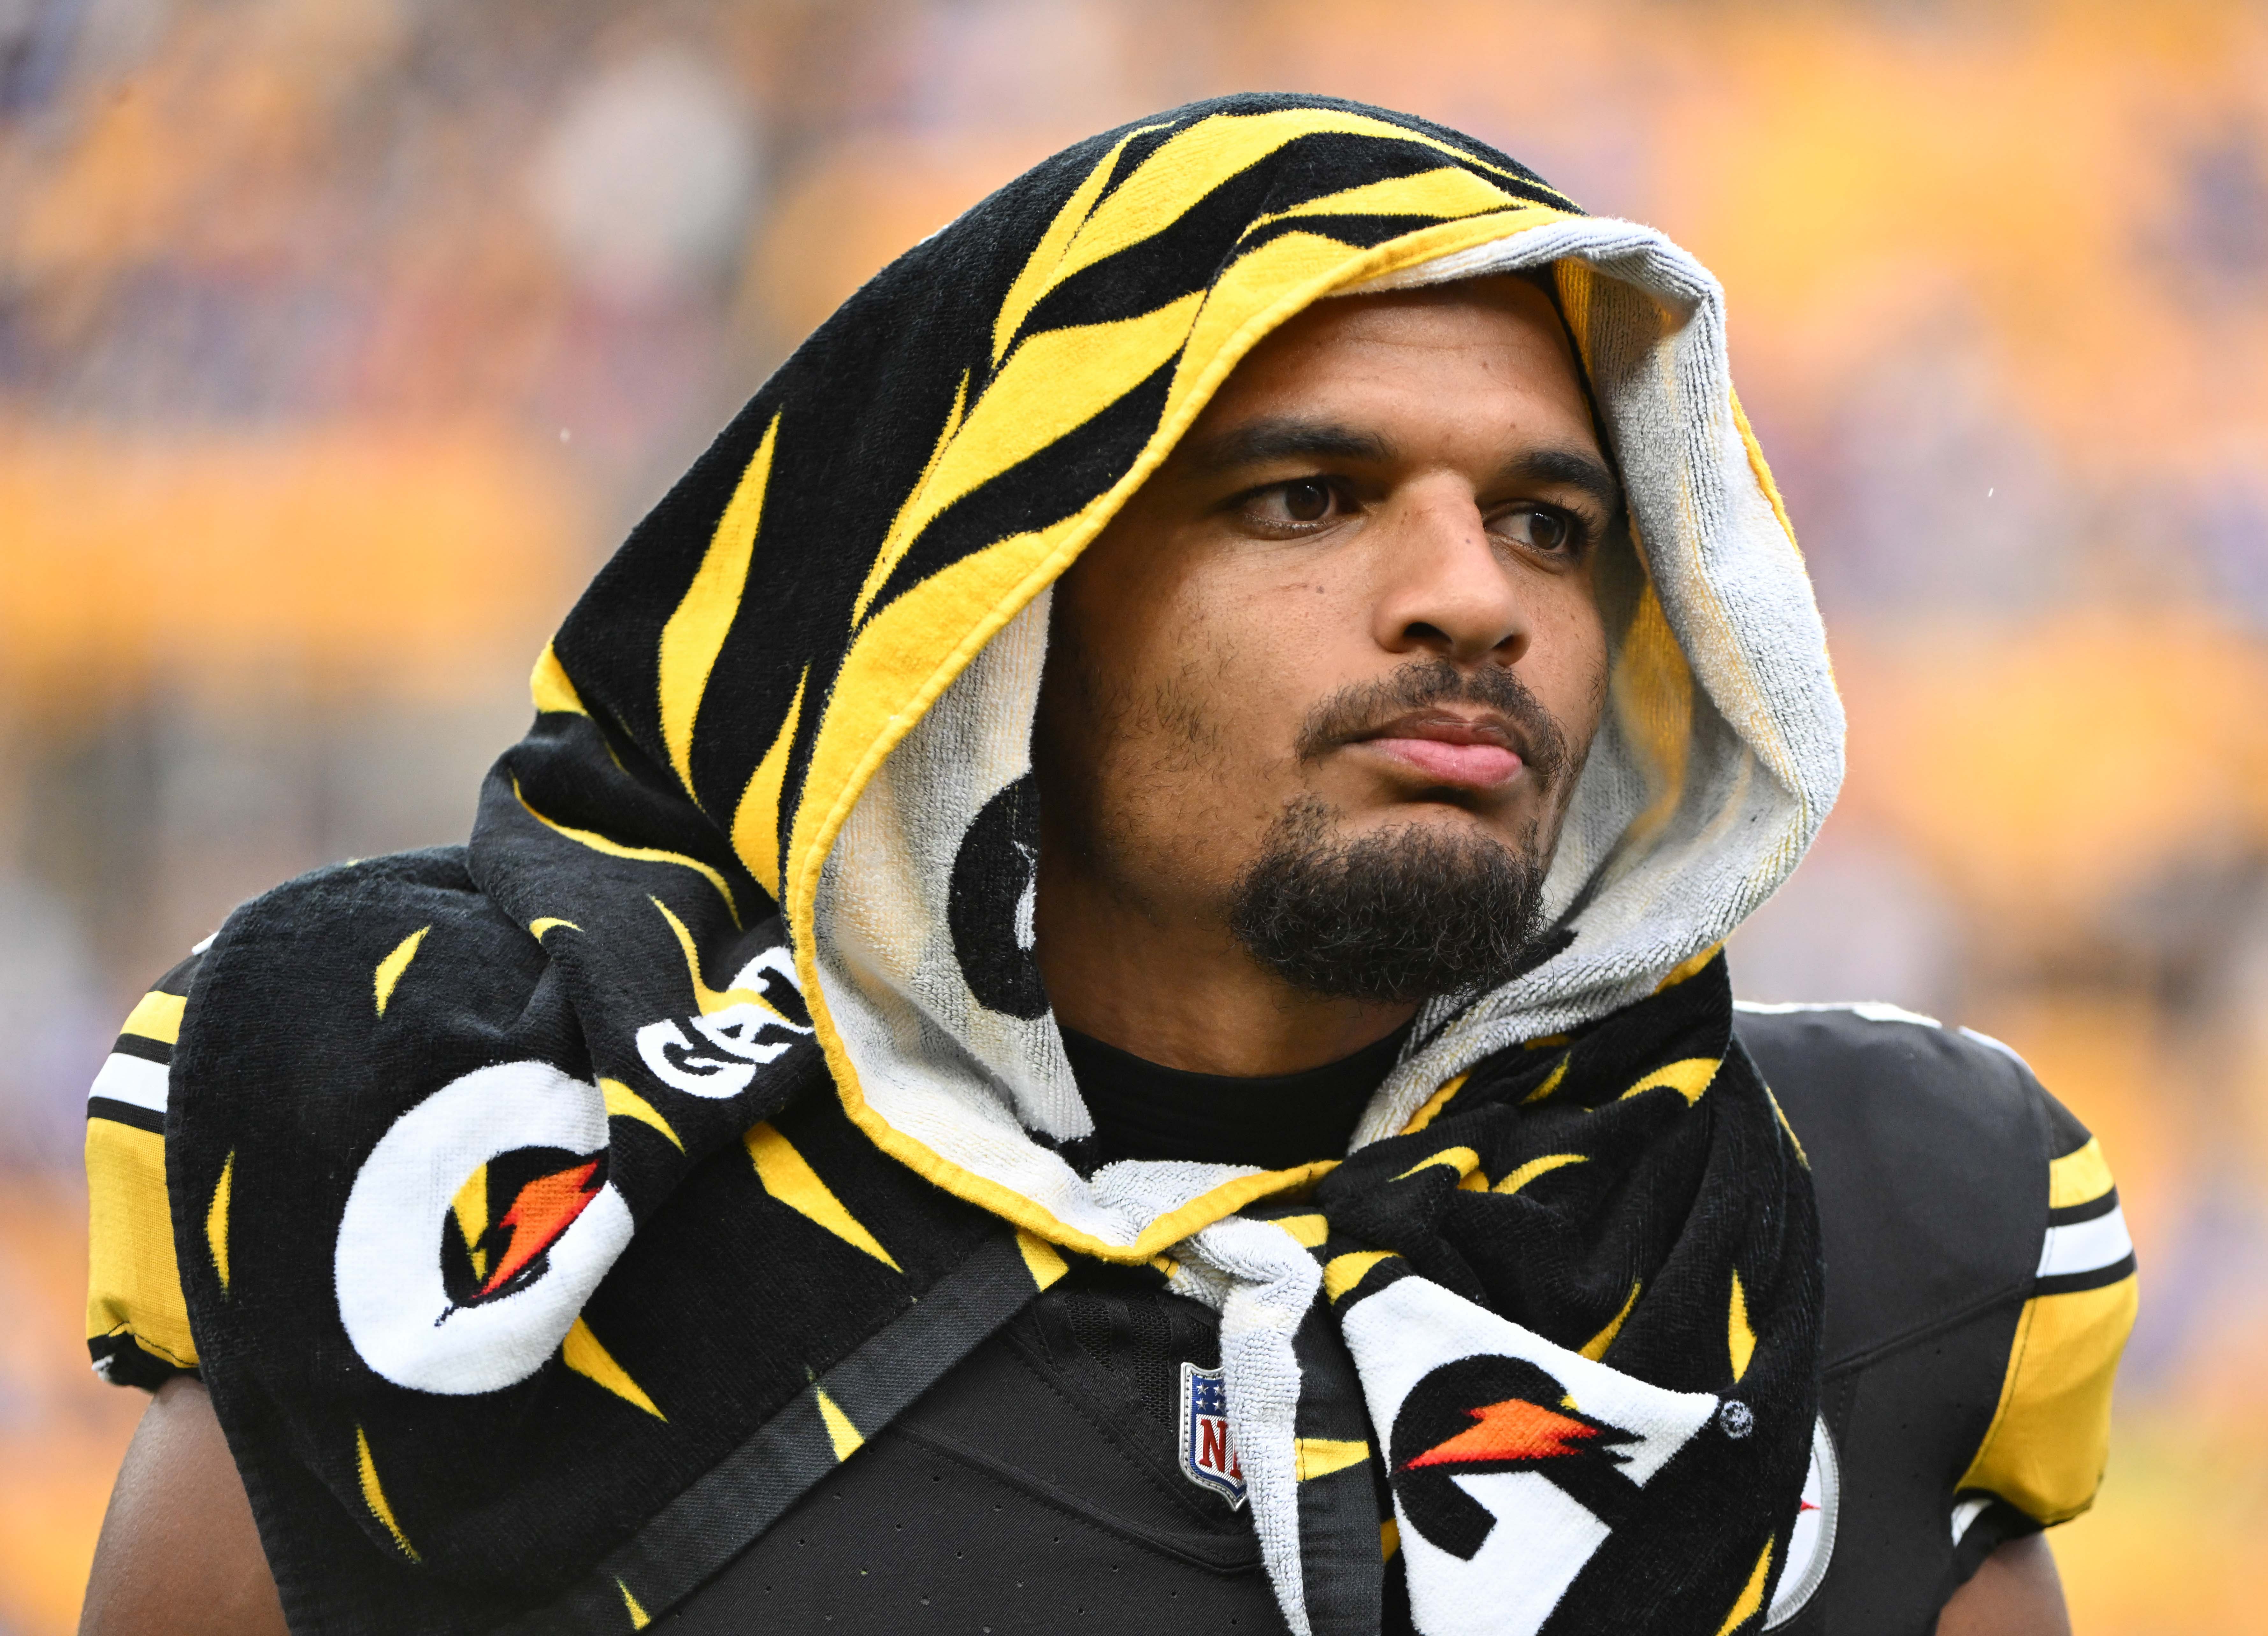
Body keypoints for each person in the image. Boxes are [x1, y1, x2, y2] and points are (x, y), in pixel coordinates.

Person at [77, 95, 2135, 1636]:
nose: (1467, 600)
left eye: (1547, 526)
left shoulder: (1836, 1251)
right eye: (1308, 497)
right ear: (998, 614)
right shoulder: (476, 1154)